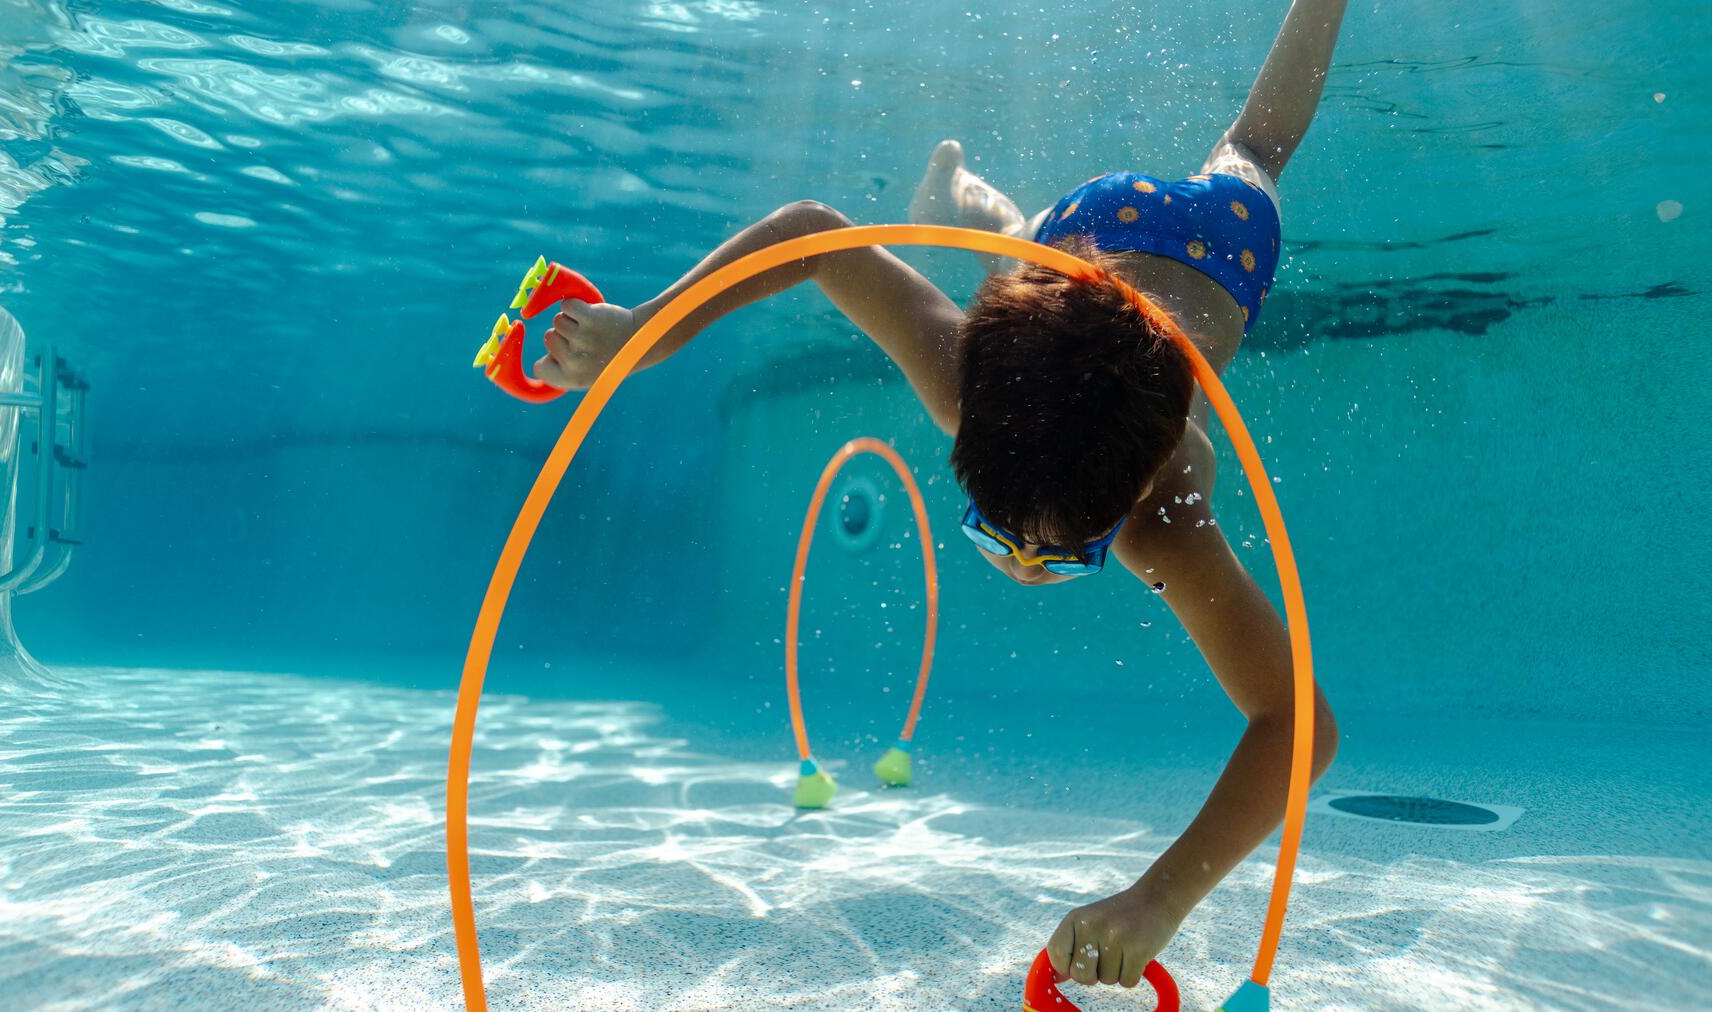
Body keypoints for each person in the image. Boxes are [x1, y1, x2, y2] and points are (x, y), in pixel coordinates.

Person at [532, 0, 1348, 994]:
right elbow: (815, 236)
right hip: (1094, 238)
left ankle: (993, 216)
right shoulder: (971, 386)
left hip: (1203, 244)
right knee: (1038, 259)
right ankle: (983, 215)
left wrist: (1160, 897)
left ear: (1131, 495)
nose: (1018, 566)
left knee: (1254, 148)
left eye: (1059, 553)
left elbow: (1299, 723)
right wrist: (645, 333)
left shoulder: (1164, 514)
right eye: (999, 533)